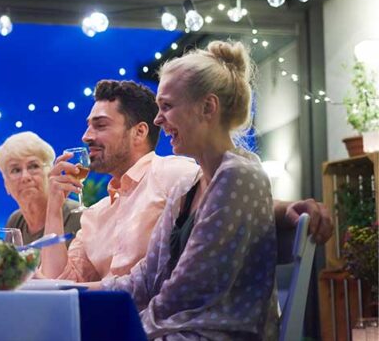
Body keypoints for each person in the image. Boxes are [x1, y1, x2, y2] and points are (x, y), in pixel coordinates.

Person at [41, 80, 332, 283]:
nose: (86, 136)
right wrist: (53, 208)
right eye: (88, 125)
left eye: (100, 125)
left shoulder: (170, 175)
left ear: (140, 132)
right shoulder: (96, 215)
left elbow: (229, 201)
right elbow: (60, 283)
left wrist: (288, 208)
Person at [100, 40, 277, 340]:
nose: (157, 119)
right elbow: (143, 280)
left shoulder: (239, 178)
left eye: (166, 106)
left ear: (208, 107)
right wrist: (73, 293)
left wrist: (117, 327)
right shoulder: (188, 187)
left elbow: (185, 294)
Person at [0, 132, 81, 245]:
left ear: (50, 173)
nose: (25, 177)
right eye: (15, 170)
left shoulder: (77, 217)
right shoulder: (15, 221)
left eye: (34, 166)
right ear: (6, 184)